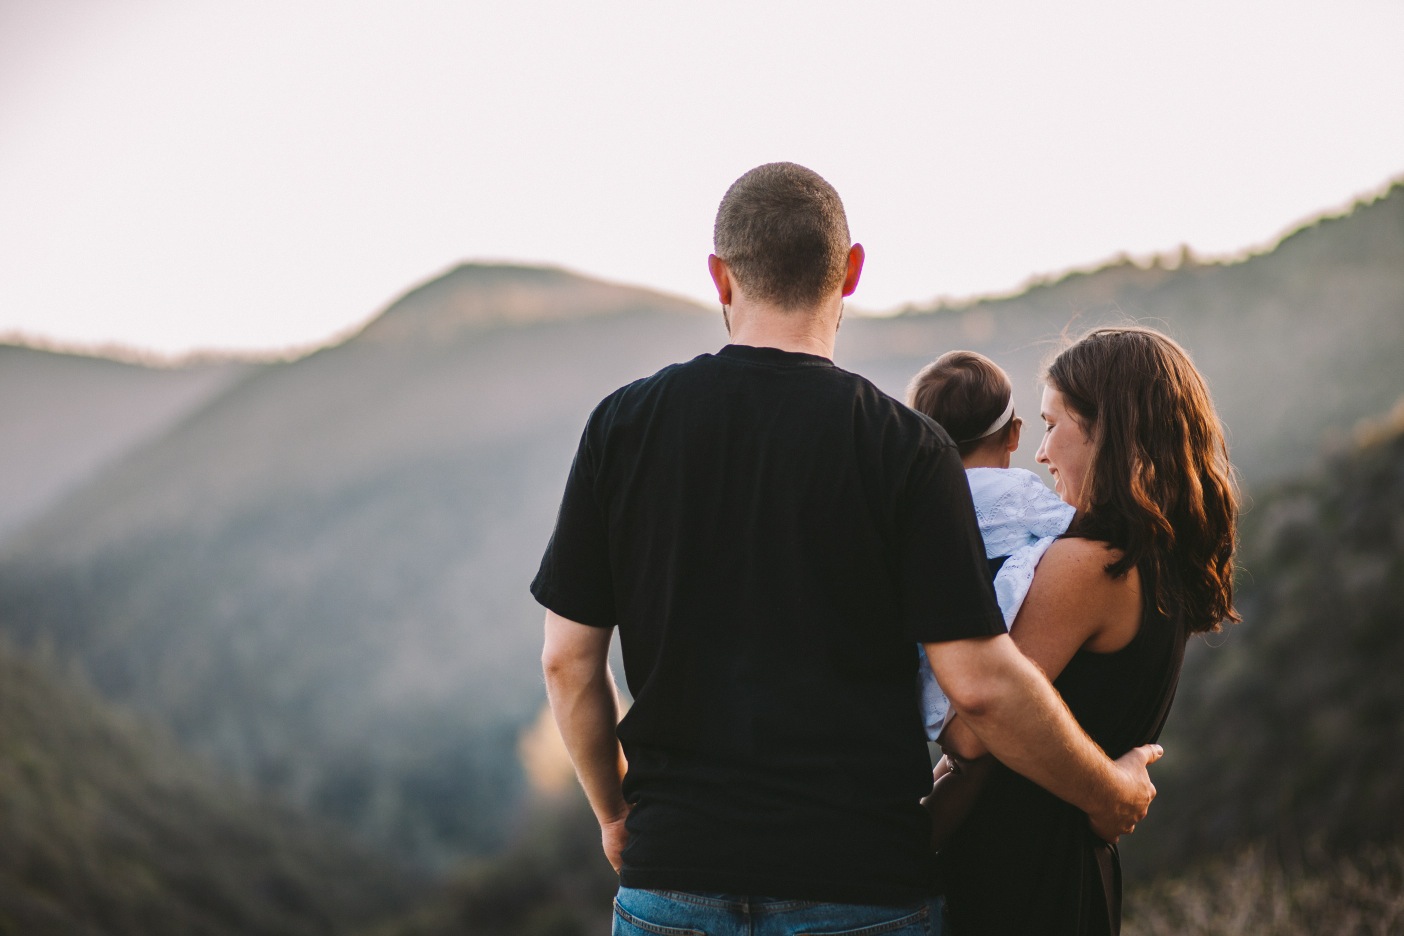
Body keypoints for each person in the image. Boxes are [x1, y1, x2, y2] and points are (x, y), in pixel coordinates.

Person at [532, 162, 1162, 936]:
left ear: (720, 278)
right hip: (862, 889)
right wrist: (1108, 792)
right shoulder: (908, 449)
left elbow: (567, 662)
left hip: (674, 878)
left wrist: (615, 814)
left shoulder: (621, 428)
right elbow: (980, 686)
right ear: (852, 272)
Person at [930, 326, 1241, 936]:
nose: (1041, 453)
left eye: (1052, 424)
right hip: (1073, 872)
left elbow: (971, 730)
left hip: (1017, 878)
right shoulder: (1158, 560)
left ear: (1110, 431)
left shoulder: (1089, 564)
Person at [906, 350, 1076, 742]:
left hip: (932, 677)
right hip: (990, 668)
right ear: (1014, 432)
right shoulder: (1017, 492)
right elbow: (1071, 526)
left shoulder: (917, 505)